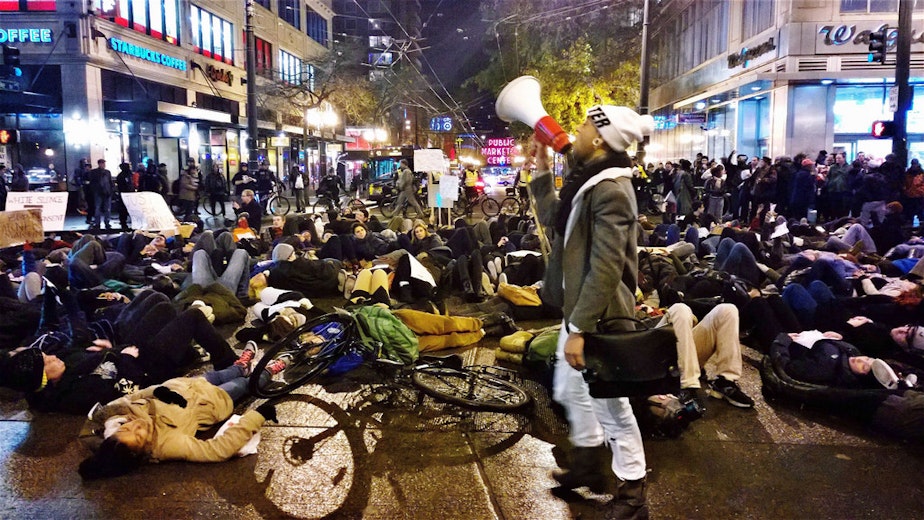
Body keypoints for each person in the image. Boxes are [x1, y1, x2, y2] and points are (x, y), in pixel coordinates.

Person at [530, 104, 653, 517]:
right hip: (579, 313)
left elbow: (606, 266)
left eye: (584, 125)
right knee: (568, 391)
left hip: (597, 317)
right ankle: (588, 467)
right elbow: (554, 218)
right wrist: (543, 167)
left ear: (599, 139)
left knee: (612, 407)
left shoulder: (612, 190)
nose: (577, 131)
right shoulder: (591, 181)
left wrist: (581, 327)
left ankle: (634, 495)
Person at [89, 159, 114, 229]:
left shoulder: (107, 172)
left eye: (104, 163)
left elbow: (110, 181)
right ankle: (98, 222)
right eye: (102, 163)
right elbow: (93, 182)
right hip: (99, 192)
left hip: (107, 192)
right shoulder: (95, 172)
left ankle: (106, 222)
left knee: (106, 208)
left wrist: (111, 190)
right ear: (99, 164)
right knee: (98, 208)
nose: (103, 165)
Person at [115, 162, 135, 230]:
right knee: (124, 209)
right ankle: (123, 222)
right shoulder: (122, 176)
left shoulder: (128, 175)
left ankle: (125, 222)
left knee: (128, 209)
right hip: (125, 194)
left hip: (128, 194)